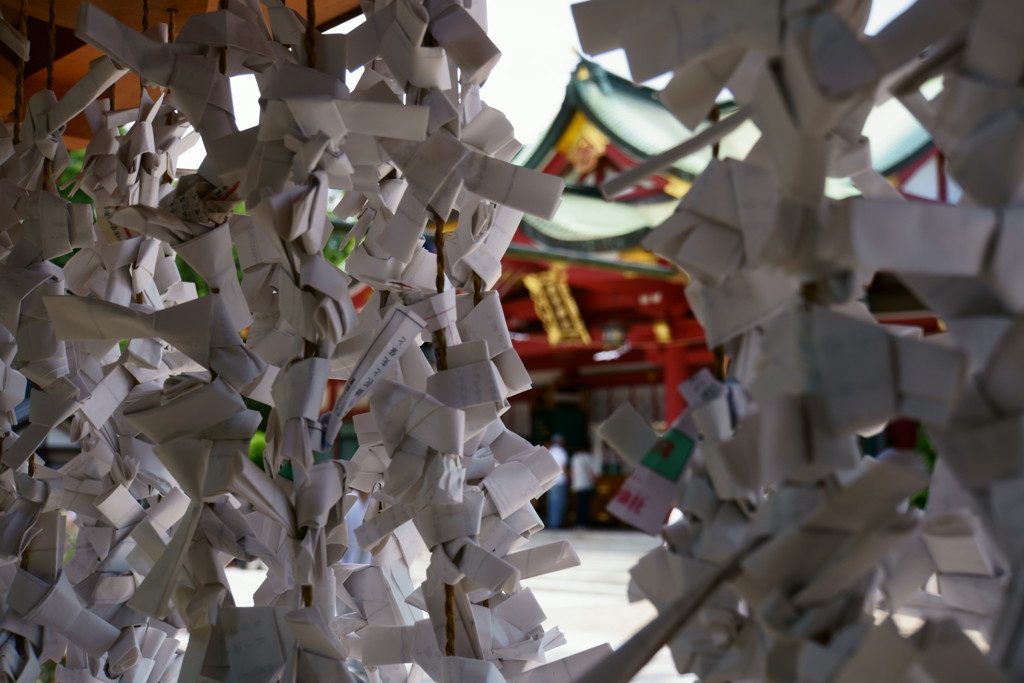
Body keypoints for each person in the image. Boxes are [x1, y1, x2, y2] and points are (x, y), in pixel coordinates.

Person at [545, 434, 569, 529]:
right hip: (560, 481)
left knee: (552, 503)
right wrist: (567, 478)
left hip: (551, 480)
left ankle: (552, 523)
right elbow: (563, 467)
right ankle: (556, 524)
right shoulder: (561, 452)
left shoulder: (550, 451)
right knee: (559, 503)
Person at [571, 448, 598, 528]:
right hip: (586, 484)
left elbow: (573, 471)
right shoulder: (588, 457)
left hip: (577, 484)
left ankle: (579, 522)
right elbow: (592, 472)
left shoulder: (575, 457)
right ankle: (583, 523)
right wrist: (595, 483)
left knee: (579, 505)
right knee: (585, 505)